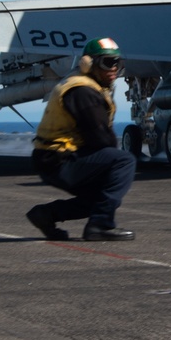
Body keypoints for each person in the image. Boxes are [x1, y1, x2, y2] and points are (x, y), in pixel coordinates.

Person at [27, 37, 137, 241]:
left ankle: (46, 214)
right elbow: (100, 138)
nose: (114, 69)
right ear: (88, 63)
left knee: (106, 195)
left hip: (52, 158)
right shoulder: (83, 91)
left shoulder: (84, 86)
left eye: (117, 63)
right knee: (123, 161)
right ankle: (99, 225)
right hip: (59, 159)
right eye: (107, 63)